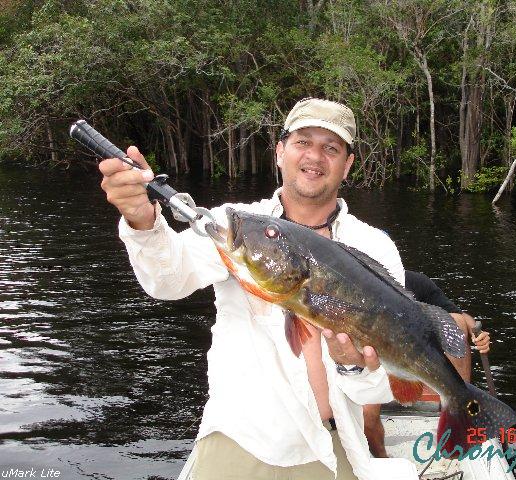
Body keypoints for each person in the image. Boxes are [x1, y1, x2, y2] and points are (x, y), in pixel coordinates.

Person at [98, 98, 418, 480]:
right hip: (242, 438)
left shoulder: (374, 248)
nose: (314, 156)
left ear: (347, 165)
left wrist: (352, 365)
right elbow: (168, 280)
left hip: (334, 444)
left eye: (331, 148)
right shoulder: (238, 225)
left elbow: (376, 390)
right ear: (280, 152)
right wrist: (141, 218)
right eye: (302, 142)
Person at [363, 270, 491, 458]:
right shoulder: (357, 277)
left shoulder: (414, 281)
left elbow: (458, 315)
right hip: (370, 362)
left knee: (457, 322)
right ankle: (382, 460)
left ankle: (459, 402)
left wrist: (476, 332)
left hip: (411, 360)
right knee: (367, 414)